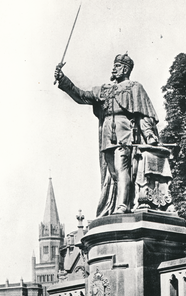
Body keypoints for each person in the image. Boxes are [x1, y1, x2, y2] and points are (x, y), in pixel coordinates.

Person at [55, 53, 173, 216]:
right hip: (107, 134)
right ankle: (115, 203)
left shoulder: (134, 87)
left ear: (125, 69)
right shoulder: (104, 89)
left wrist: (149, 135)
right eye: (114, 65)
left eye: (117, 66)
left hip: (124, 131)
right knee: (112, 174)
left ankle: (122, 205)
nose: (113, 69)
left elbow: (143, 113)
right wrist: (63, 80)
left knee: (121, 167)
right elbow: (81, 96)